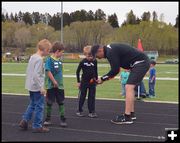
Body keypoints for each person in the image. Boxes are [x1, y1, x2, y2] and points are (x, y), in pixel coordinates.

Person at [91, 43, 150, 124]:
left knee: (128, 87)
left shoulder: (110, 52)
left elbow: (115, 70)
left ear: (100, 50)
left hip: (140, 63)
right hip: (139, 62)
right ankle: (131, 114)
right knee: (129, 88)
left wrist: (102, 79)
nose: (98, 58)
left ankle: (127, 117)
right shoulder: (109, 50)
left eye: (96, 55)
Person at [19, 39, 52, 133]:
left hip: (31, 85)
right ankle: (37, 126)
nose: (48, 52)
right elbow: (36, 74)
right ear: (44, 49)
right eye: (48, 50)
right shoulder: (39, 59)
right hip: (37, 87)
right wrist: (41, 87)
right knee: (40, 106)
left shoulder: (33, 57)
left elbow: (30, 72)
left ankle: (24, 121)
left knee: (33, 103)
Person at [43, 41, 67, 127]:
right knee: (49, 102)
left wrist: (59, 83)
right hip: (51, 86)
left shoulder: (60, 61)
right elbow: (48, 71)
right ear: (57, 51)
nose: (62, 54)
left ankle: (63, 119)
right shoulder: (49, 60)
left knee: (61, 102)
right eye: (62, 52)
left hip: (60, 86)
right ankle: (48, 119)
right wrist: (54, 81)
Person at [76, 46, 98, 118]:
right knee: (82, 96)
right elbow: (77, 72)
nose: (90, 57)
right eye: (89, 56)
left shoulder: (95, 61)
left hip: (92, 82)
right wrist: (78, 82)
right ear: (85, 55)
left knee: (92, 97)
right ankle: (79, 110)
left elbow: (95, 71)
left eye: (92, 56)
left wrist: (96, 80)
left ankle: (91, 112)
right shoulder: (82, 62)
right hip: (84, 82)